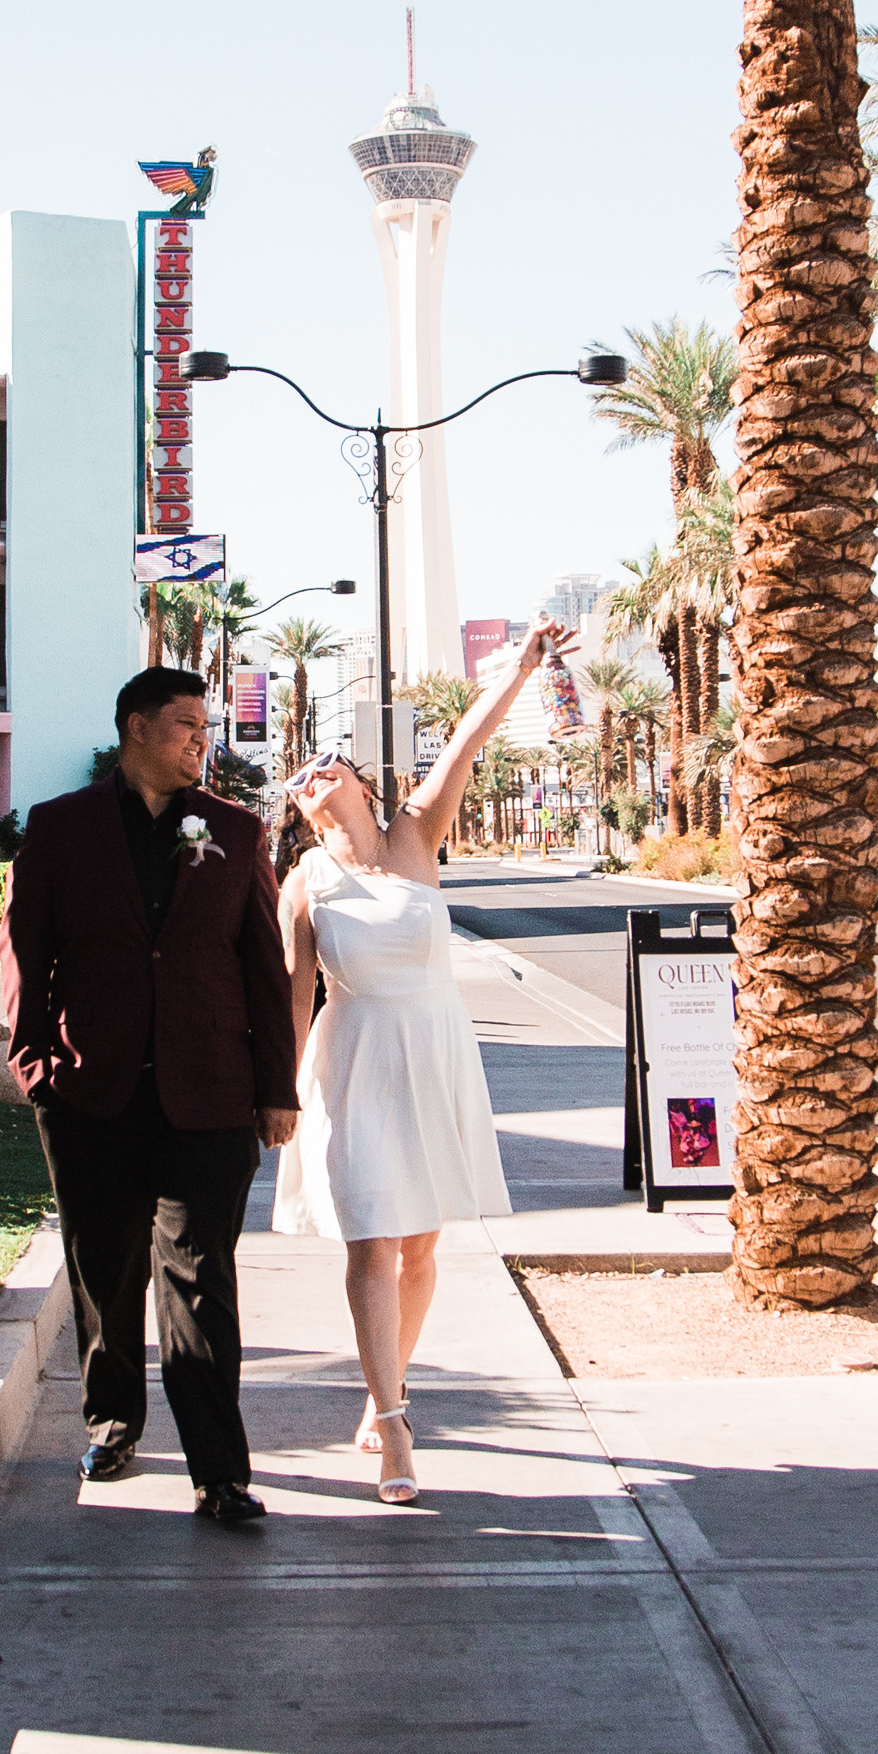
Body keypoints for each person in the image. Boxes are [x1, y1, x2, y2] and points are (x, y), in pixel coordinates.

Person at [273, 622, 571, 1502]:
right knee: (371, 1242)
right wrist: (280, 1095)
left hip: (435, 1055)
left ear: (364, 783)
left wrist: (519, 669)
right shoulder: (302, 884)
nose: (315, 775)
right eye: (302, 777)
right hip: (355, 1064)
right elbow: (296, 996)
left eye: (330, 765)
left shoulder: (417, 833)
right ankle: (395, 1420)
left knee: (421, 1248)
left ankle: (385, 1384)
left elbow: (471, 736)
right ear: (300, 810)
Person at [0, 665, 300, 1530]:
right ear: (136, 727)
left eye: (205, 724)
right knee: (106, 1270)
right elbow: (28, 950)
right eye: (183, 724)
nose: (200, 738)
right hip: (91, 1093)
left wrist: (275, 1088)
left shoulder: (236, 833)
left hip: (210, 1094)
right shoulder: (62, 829)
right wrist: (33, 1063)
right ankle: (113, 1423)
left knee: (202, 1279)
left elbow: (262, 966)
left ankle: (219, 1473)